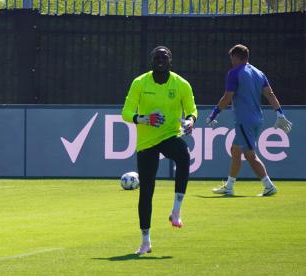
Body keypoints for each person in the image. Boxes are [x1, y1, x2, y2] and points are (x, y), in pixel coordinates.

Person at [122, 46, 197, 255]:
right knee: (146, 191)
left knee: (183, 155)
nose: (160, 60)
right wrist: (144, 119)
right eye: (156, 57)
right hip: (146, 142)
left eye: (164, 57)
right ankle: (145, 240)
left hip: (169, 136)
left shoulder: (181, 84)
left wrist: (190, 121)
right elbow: (126, 113)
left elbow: (192, 110)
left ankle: (176, 210)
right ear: (151, 61)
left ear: (170, 61)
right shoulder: (140, 82)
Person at [207, 44, 292, 197]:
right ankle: (229, 186)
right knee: (235, 150)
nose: (231, 61)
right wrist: (280, 114)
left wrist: (214, 113)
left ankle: (268, 185)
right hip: (257, 119)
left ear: (235, 57)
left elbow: (227, 97)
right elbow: (270, 94)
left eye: (231, 58)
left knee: (250, 155)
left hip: (244, 121)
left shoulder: (234, 73)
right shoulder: (259, 73)